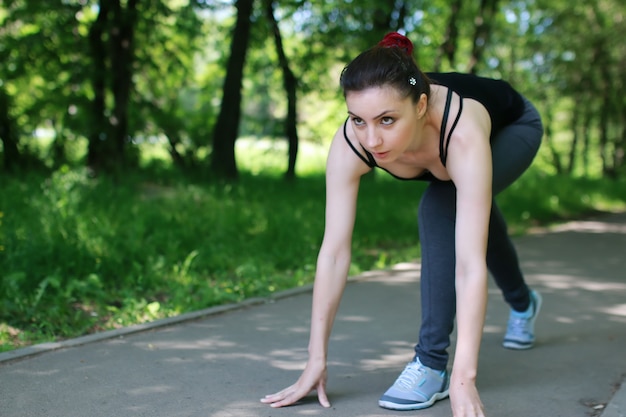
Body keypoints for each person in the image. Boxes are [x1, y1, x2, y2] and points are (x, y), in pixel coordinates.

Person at [261, 32, 543, 417]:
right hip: (444, 155)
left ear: (422, 105)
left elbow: (468, 265)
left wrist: (465, 378)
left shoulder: (460, 133)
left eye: (387, 120)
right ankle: (523, 303)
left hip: (513, 128)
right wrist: (315, 358)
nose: (372, 139)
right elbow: (334, 252)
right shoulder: (352, 143)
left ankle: (432, 365)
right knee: (470, 213)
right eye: (358, 119)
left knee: (442, 205)